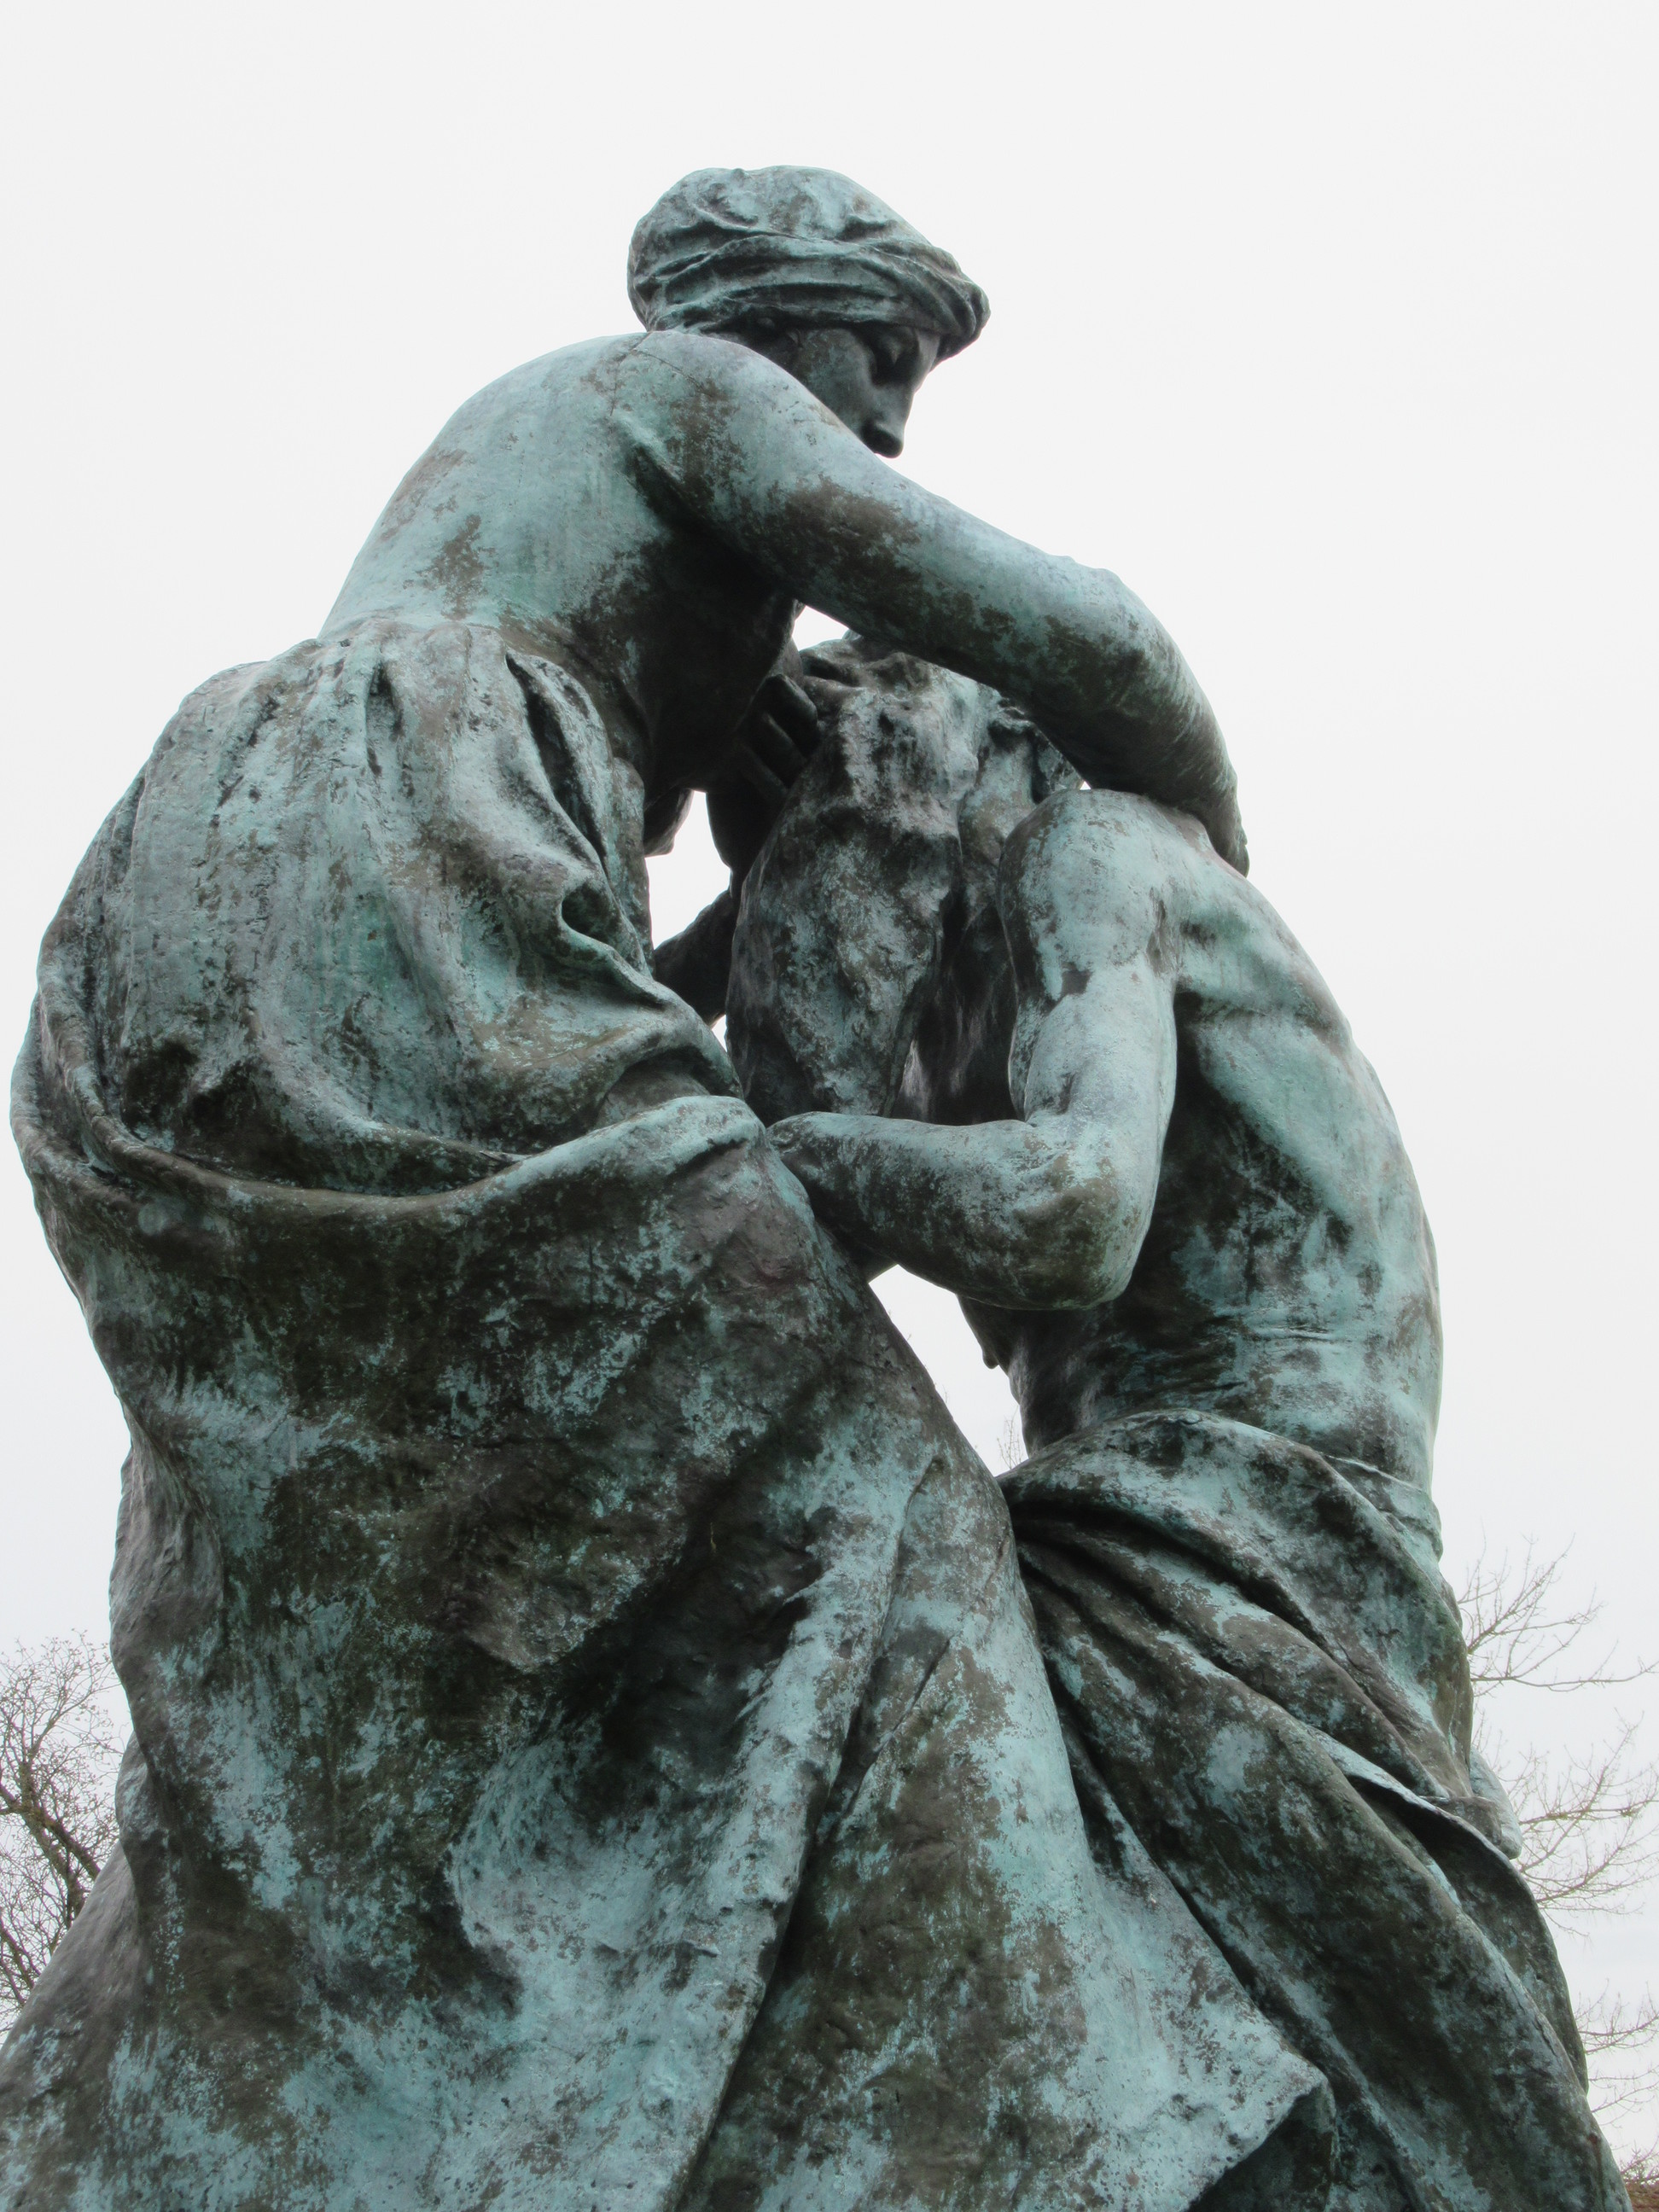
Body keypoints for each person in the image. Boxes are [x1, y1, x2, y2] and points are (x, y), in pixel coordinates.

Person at [3, 172, 1307, 2211]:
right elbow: (1092, 637)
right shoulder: (682, 392)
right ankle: (1017, 2125)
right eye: (881, 353)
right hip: (385, 856)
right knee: (852, 1486)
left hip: (202, 918)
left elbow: (621, 982)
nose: (890, 418)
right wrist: (1189, 845)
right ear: (766, 309)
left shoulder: (536, 535)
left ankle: (259, 2103)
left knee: (388, 1551)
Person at [731, 639, 1629, 2210]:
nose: (858, 859)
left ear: (987, 741)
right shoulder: (958, 1011)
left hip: (1247, 1531)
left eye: (869, 792)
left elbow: (1076, 1207)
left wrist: (776, 1158)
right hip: (1143, 1541)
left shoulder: (1096, 854)